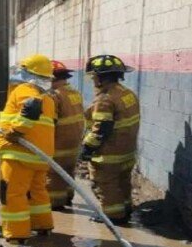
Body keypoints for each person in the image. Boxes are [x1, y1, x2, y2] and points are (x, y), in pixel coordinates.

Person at [0, 54, 56, 243]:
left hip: (19, 154)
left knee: (13, 193)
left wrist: (15, 131)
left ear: (26, 72)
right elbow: (11, 117)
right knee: (37, 192)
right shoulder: (47, 98)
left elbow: (29, 109)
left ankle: (16, 234)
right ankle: (42, 225)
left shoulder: (25, 89)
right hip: (40, 156)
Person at [81, 54, 140, 225]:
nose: (93, 79)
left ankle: (113, 217)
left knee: (106, 185)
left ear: (101, 77)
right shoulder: (127, 94)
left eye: (94, 76)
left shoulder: (105, 99)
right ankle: (126, 209)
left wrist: (87, 148)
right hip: (127, 152)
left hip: (109, 155)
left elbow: (101, 129)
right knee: (123, 183)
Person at [48, 60, 85, 210]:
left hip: (59, 144)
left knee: (54, 174)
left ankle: (55, 204)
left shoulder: (54, 96)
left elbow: (49, 122)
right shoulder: (75, 93)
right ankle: (68, 198)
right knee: (68, 172)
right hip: (74, 144)